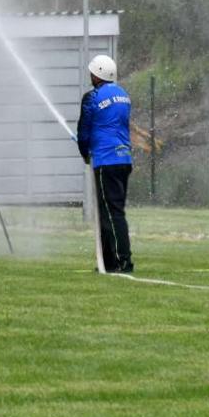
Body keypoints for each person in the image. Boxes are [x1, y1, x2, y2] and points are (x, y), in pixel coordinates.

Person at [77, 54, 134, 273]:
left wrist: (84, 152)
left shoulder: (91, 97)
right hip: (124, 159)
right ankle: (108, 262)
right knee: (110, 211)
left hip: (105, 160)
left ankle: (123, 261)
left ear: (96, 75)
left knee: (111, 213)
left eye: (92, 73)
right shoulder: (123, 95)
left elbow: (84, 130)